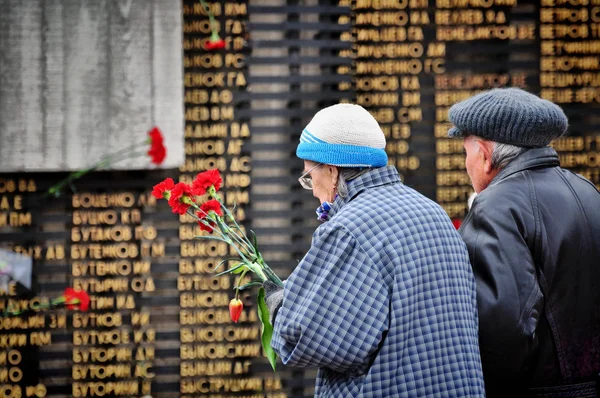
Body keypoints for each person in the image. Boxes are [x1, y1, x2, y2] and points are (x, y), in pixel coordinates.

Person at [264, 104, 485, 397]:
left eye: (309, 178)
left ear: (331, 171)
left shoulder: (349, 229)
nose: (313, 190)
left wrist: (280, 307)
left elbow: (305, 339)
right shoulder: (433, 211)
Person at [447, 87, 600, 397]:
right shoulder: (587, 190)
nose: (466, 164)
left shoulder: (496, 207)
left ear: (486, 156)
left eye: (466, 153)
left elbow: (503, 331)